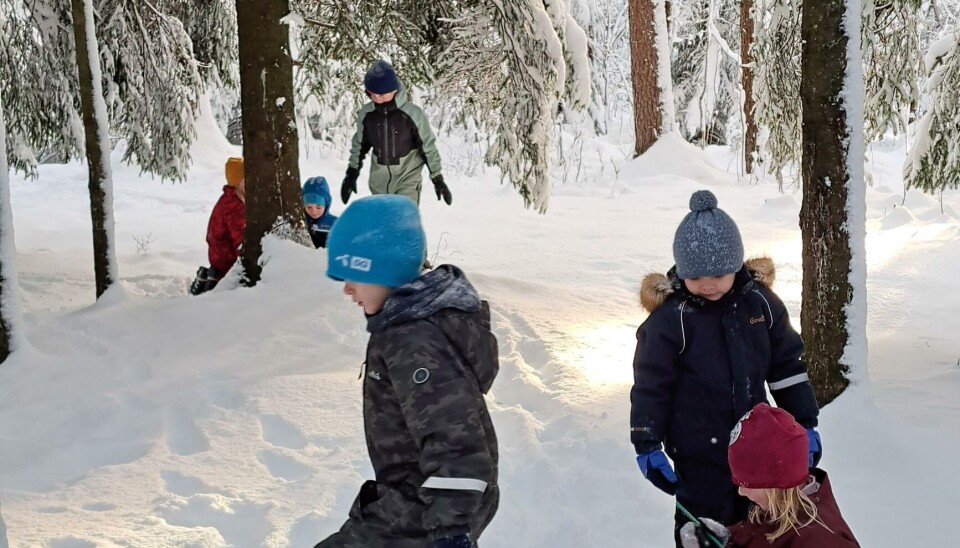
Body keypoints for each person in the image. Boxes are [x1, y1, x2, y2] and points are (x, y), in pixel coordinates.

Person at [629, 190, 821, 546]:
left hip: (759, 448)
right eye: (696, 274)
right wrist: (647, 440)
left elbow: (786, 368)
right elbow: (651, 385)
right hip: (699, 451)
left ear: (735, 265)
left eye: (718, 272)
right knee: (704, 529)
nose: (708, 283)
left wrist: (804, 421)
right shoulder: (671, 320)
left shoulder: (761, 305)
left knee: (760, 526)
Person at [315, 195, 498, 548]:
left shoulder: (415, 340)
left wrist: (450, 529)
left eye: (353, 276)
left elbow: (454, 433)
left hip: (430, 504)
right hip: (416, 497)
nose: (347, 289)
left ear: (382, 271)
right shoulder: (402, 325)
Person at [679, 403, 860, 547]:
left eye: (748, 483)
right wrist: (728, 541)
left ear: (775, 481)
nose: (741, 491)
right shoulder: (776, 513)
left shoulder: (820, 541)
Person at [340, 59, 451, 207]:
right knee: (383, 223)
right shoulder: (367, 114)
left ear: (394, 90)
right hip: (379, 181)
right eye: (373, 94)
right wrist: (351, 174)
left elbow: (427, 146)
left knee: (402, 220)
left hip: (407, 177)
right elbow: (359, 145)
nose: (377, 99)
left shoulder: (412, 114)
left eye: (382, 94)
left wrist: (437, 178)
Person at [189, 157, 245, 295]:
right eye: (245, 180)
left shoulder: (229, 199)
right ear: (236, 183)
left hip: (218, 253)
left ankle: (207, 277)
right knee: (232, 279)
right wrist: (246, 257)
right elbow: (240, 237)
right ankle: (213, 283)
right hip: (224, 255)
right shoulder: (234, 206)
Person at [302, 176, 338, 249]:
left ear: (326, 204)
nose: (313, 211)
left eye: (318, 207)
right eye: (309, 207)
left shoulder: (334, 225)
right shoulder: (301, 221)